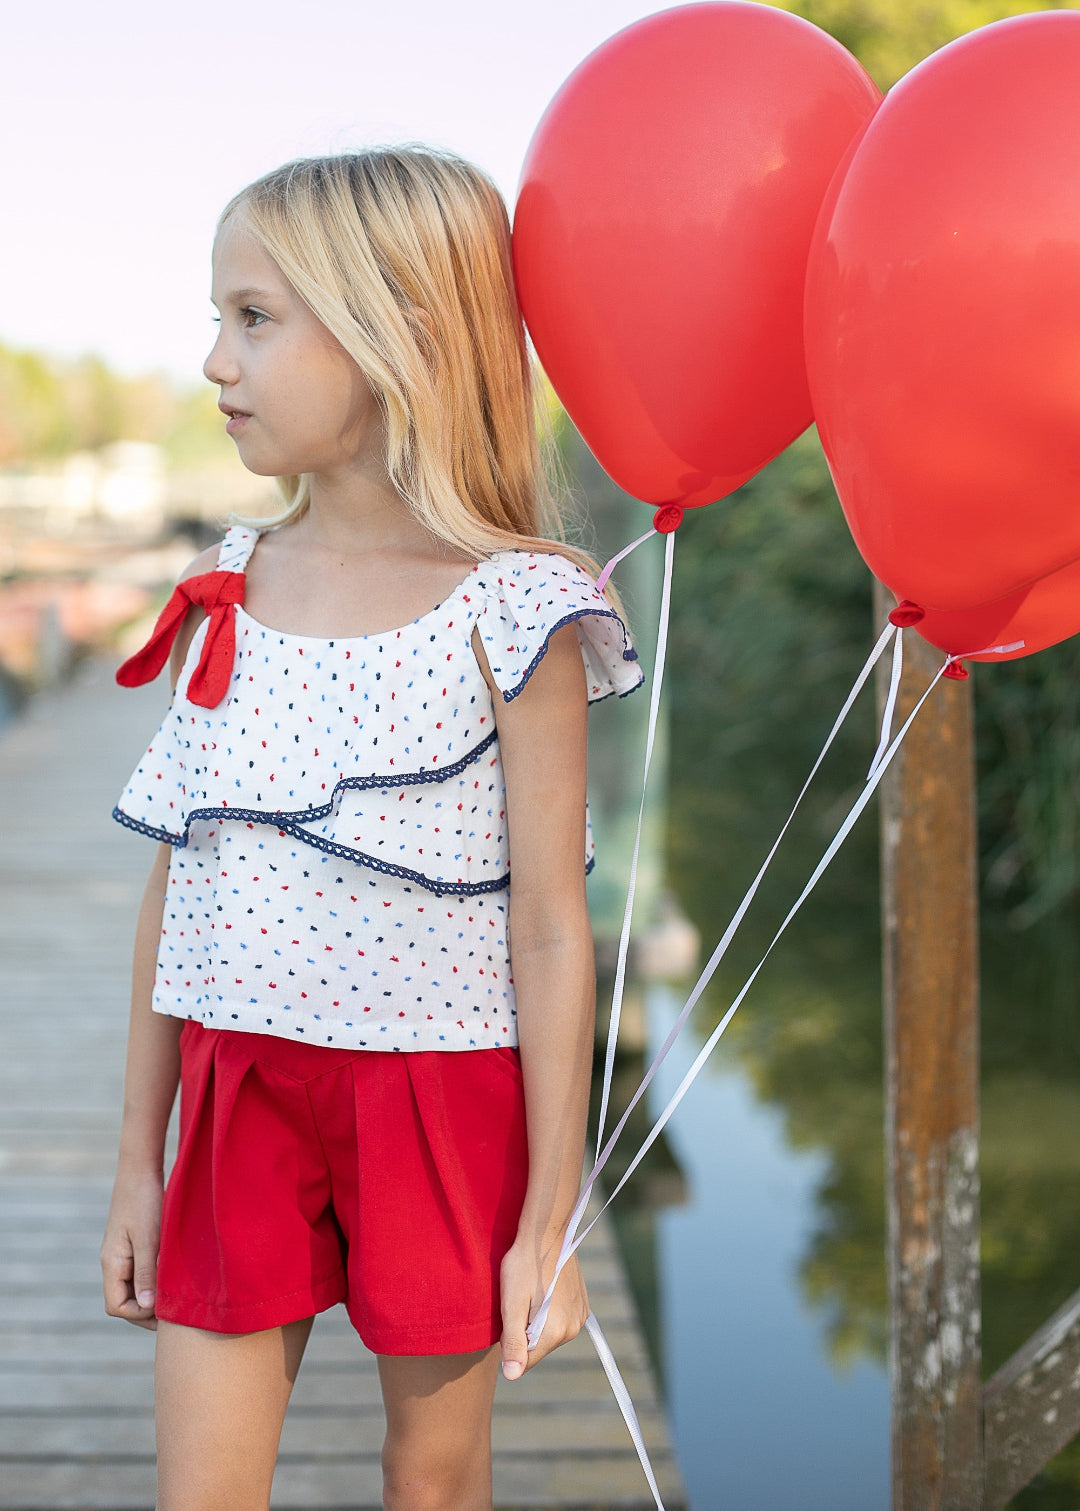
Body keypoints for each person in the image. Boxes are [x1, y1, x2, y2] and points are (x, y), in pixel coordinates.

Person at [99, 146, 643, 1511]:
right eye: (220, 318)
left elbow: (548, 925)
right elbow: (184, 883)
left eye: (256, 318)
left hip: (441, 1098)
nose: (216, 362)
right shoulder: (226, 584)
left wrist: (550, 1221)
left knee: (437, 1480)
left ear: (399, 330)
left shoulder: (520, 608)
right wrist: (135, 1164)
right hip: (237, 1090)